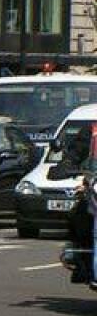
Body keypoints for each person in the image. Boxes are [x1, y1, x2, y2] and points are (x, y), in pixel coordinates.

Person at [49, 123, 96, 287]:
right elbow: (75, 154)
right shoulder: (93, 132)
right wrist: (67, 164)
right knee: (78, 215)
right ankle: (80, 258)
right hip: (95, 191)